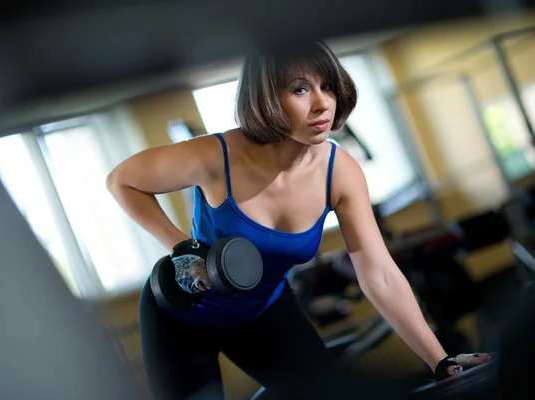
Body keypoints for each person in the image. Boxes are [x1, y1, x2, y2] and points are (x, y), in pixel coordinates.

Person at [106, 40, 491, 399]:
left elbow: (379, 273)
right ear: (266, 97)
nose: (323, 104)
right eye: (301, 89)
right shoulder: (215, 156)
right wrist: (182, 248)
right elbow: (122, 181)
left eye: (328, 86)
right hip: (182, 315)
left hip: (263, 310)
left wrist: (441, 359)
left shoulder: (339, 172)